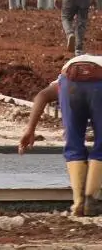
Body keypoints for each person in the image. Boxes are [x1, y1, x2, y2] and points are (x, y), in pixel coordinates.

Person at [18, 54, 102, 216]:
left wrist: (30, 130)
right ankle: (91, 201)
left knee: (73, 141)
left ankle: (78, 203)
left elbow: (41, 96)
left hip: (70, 84)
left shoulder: (61, 81)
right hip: (100, 82)